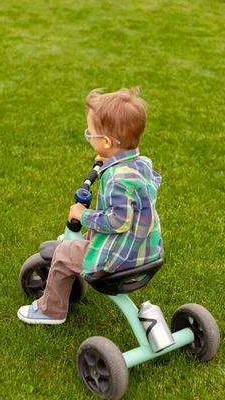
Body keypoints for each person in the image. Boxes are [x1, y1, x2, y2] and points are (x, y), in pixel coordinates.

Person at [18, 87, 163, 324]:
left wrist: (84, 215)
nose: (89, 137)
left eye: (91, 134)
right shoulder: (141, 164)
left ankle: (50, 311)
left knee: (65, 253)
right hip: (147, 252)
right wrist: (109, 162)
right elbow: (145, 187)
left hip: (119, 262)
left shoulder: (117, 179)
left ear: (106, 141)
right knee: (88, 238)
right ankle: (76, 263)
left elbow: (118, 221)